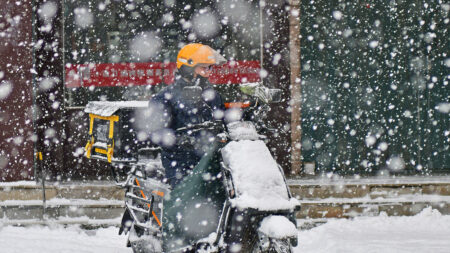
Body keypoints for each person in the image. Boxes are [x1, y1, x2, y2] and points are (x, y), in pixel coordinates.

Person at [149, 43, 226, 188]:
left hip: (211, 161)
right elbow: (156, 131)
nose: (209, 72)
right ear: (188, 68)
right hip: (180, 163)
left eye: (210, 67)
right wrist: (181, 140)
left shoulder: (213, 96)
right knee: (186, 200)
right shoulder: (165, 98)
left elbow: (223, 122)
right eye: (204, 67)